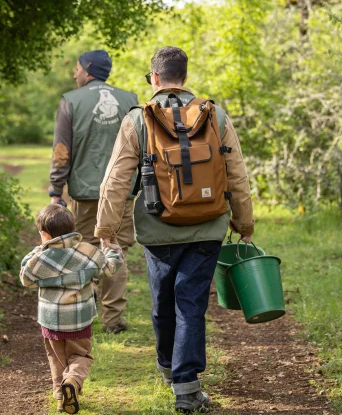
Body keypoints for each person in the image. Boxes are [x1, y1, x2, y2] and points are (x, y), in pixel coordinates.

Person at [95, 46, 255, 413]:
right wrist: (244, 224)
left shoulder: (138, 120)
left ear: (154, 77)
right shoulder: (215, 116)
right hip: (207, 227)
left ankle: (171, 371)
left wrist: (106, 230)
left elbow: (116, 180)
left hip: (157, 229)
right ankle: (186, 387)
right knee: (191, 305)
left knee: (162, 301)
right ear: (184, 77)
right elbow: (238, 176)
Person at [48, 49, 138, 334]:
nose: (74, 74)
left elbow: (62, 151)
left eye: (76, 68)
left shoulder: (70, 101)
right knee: (116, 249)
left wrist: (56, 190)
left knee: (84, 249)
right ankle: (113, 320)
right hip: (122, 192)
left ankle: (84, 314)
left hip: (85, 192)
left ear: (87, 70)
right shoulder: (130, 100)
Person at [20, 204, 123, 414]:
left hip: (51, 321)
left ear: (44, 234)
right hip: (79, 320)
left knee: (56, 359)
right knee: (81, 355)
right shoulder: (87, 252)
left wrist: (39, 248)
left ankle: (61, 397)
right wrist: (114, 252)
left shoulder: (41, 258)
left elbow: (26, 278)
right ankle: (73, 382)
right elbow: (109, 268)